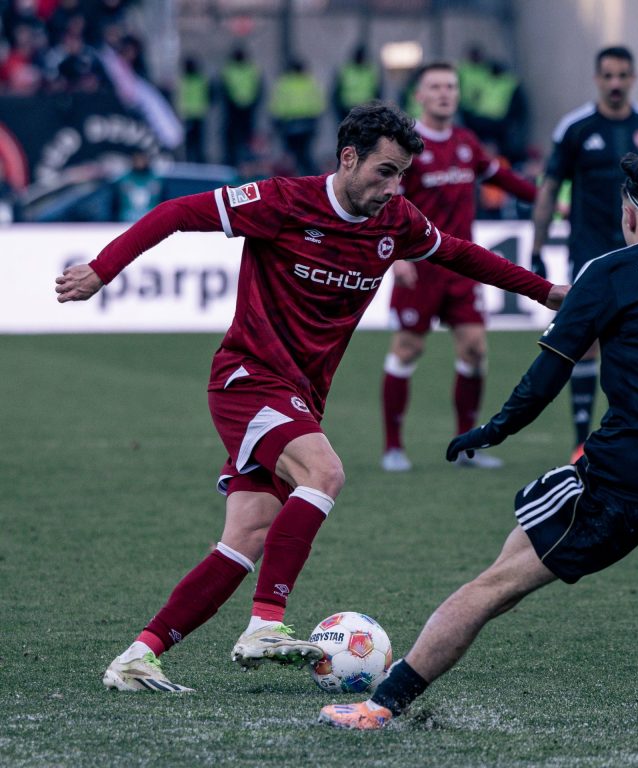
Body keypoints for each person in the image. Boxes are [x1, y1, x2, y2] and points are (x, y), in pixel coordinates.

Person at [55, 101, 567, 693]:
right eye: (384, 171)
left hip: (301, 395)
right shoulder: (281, 201)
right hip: (248, 377)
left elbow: (458, 252)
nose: (393, 188)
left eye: (401, 175)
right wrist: (102, 269)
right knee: (324, 473)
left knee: (246, 537)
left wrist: (545, 292)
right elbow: (174, 212)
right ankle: (265, 623)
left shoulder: (395, 220)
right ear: (348, 158)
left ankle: (138, 658)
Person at [317, 153, 638, 730]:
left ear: (628, 216)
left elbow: (550, 373)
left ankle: (380, 705)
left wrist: (494, 429)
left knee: (498, 582)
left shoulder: (608, 272)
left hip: (626, 477)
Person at [380, 62, 539, 472]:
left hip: (463, 267)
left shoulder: (466, 142)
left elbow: (501, 177)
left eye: (450, 86)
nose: (444, 93)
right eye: (435, 87)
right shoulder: (406, 147)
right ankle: (393, 447)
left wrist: (545, 199)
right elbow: (387, 204)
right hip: (420, 266)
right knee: (408, 349)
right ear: (419, 95)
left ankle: (466, 448)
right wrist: (397, 256)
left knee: (475, 348)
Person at [530, 46, 638, 462]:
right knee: (588, 341)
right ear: (597, 78)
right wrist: (537, 247)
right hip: (590, 252)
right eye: (608, 75)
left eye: (622, 75)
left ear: (633, 78)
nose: (615, 83)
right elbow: (549, 188)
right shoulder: (576, 128)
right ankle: (581, 442)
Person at [269, 57, 325, 176]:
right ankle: (311, 176)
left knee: (292, 155)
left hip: (290, 123)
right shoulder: (309, 81)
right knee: (305, 153)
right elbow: (318, 102)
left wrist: (277, 120)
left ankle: (296, 178)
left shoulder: (284, 82)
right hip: (306, 122)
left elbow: (277, 103)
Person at [219, 46, 263, 169]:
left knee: (245, 137)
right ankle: (233, 161)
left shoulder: (232, 69)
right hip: (235, 108)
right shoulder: (248, 69)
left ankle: (246, 162)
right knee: (235, 136)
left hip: (245, 109)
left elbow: (258, 87)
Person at [332, 44, 380, 124]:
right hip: (348, 110)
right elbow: (337, 93)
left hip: (366, 110)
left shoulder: (370, 71)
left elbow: (377, 91)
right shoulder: (346, 70)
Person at [178, 56, 210, 163]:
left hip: (195, 114)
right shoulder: (195, 79)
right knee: (191, 140)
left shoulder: (188, 80)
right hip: (191, 114)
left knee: (197, 140)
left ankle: (197, 159)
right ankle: (190, 159)